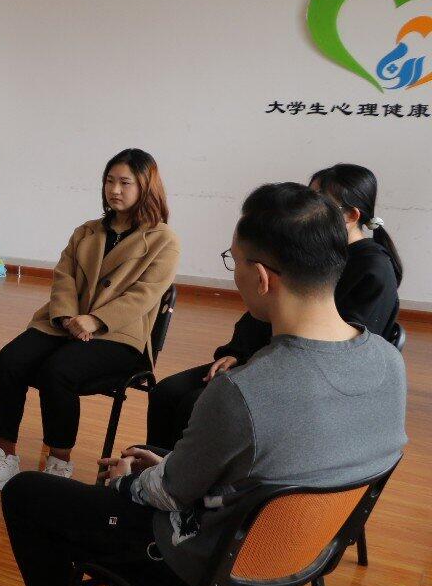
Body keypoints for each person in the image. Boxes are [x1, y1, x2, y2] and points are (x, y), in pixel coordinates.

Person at [0, 182, 406, 586]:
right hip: (304, 557)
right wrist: (172, 466)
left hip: (203, 572)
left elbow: (166, 495)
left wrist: (132, 479)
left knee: (28, 495)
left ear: (261, 278)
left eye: (234, 262)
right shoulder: (388, 361)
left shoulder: (244, 390)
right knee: (149, 468)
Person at [145, 163, 402, 450]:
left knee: (198, 406)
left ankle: (170, 469)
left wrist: (257, 367)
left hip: (304, 373)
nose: (307, 208)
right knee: (167, 393)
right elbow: (267, 308)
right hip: (263, 356)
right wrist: (236, 352)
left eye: (319, 202)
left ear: (352, 216)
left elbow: (346, 350)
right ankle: (157, 465)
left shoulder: (372, 269)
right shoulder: (314, 252)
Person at [0, 149, 179, 494]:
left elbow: (144, 295)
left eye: (125, 183)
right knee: (8, 361)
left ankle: (59, 463)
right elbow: (63, 276)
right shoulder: (86, 231)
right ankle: (3, 457)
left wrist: (95, 320)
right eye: (109, 181)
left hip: (118, 335)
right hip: (63, 323)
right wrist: (67, 316)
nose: (115, 190)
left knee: (58, 371)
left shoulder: (164, 240)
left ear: (146, 186)